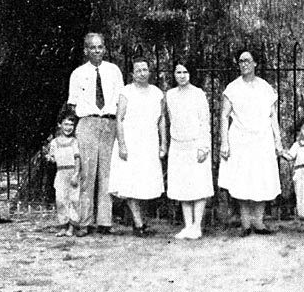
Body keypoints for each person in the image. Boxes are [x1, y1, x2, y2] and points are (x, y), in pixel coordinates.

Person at [218, 50, 283, 237]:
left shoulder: (265, 87)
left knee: (261, 179)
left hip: (262, 140)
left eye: (247, 61)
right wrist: (225, 143)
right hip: (240, 140)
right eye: (240, 61)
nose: (244, 64)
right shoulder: (232, 88)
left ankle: (259, 222)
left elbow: (273, 117)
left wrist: (278, 140)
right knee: (242, 180)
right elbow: (224, 116)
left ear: (255, 64)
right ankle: (245, 224)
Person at [67, 33, 124, 237]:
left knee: (107, 173)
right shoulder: (78, 73)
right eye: (92, 48)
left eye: (100, 47)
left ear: (105, 49)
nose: (97, 51)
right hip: (88, 122)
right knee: (87, 173)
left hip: (109, 122)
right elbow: (72, 104)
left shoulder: (114, 71)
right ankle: (84, 221)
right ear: (86, 50)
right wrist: (88, 117)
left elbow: (120, 100)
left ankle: (105, 221)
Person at [108, 57, 167, 236]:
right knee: (130, 182)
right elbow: (119, 119)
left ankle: (142, 221)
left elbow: (162, 119)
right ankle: (138, 223)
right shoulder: (126, 92)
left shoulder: (157, 93)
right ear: (132, 74)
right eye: (138, 70)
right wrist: (122, 145)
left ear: (149, 71)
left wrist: (163, 143)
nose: (142, 73)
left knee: (146, 182)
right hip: (132, 140)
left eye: (145, 69)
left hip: (149, 142)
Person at [165, 61, 214, 240]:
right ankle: (187, 225)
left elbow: (204, 122)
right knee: (182, 185)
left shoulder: (198, 94)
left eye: (185, 72)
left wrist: (203, 146)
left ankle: (197, 226)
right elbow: (171, 120)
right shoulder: (170, 95)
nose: (182, 75)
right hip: (178, 145)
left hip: (196, 144)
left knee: (198, 185)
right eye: (178, 72)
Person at [46, 112, 81, 237]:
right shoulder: (55, 142)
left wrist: (76, 174)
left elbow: (77, 159)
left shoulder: (74, 141)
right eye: (65, 124)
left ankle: (72, 227)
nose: (68, 127)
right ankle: (63, 226)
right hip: (60, 173)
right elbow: (53, 158)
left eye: (71, 125)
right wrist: (50, 158)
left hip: (72, 173)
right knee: (61, 200)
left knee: (74, 200)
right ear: (59, 125)